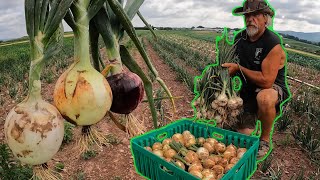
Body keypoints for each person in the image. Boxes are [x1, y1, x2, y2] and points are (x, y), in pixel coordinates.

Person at [221, 0, 290, 160]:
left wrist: (238, 68)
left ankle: (264, 140)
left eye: (255, 15)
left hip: (271, 89)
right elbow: (234, 65)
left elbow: (266, 81)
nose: (250, 19)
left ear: (265, 18)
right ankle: (251, 116)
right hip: (248, 91)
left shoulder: (272, 43)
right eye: (247, 15)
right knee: (242, 134)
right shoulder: (240, 38)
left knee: (264, 98)